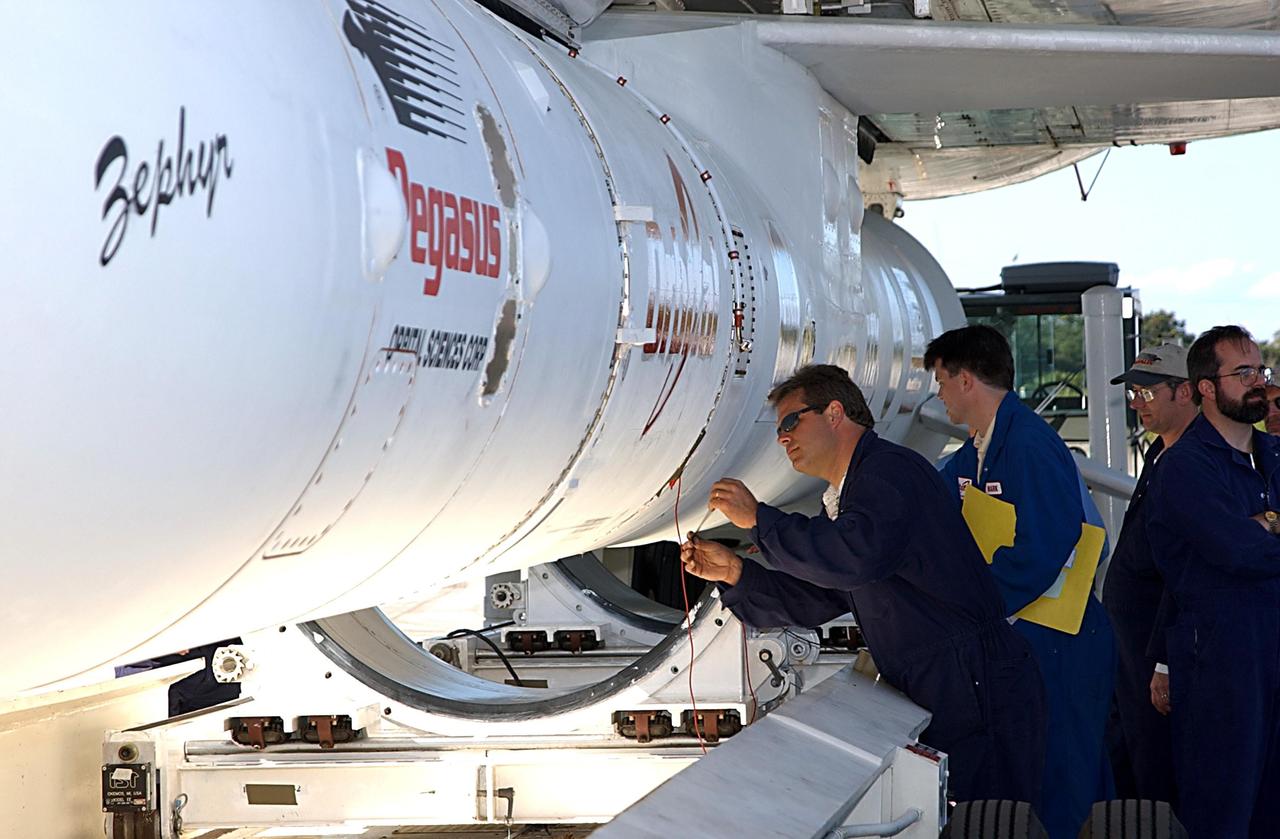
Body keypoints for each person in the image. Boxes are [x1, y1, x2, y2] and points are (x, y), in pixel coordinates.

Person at [679, 364, 1047, 808]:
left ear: (835, 413)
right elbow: (823, 594)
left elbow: (852, 558)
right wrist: (736, 573)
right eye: (779, 431)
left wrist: (760, 519)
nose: (783, 438)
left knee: (989, 818)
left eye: (791, 422)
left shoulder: (887, 474)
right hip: (952, 682)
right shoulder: (851, 495)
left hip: (972, 683)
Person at [924, 324, 1115, 839]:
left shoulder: (1028, 443)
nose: (939, 394)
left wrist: (973, 607)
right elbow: (927, 501)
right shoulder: (978, 450)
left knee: (1065, 781)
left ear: (966, 379)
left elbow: (1044, 545)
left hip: (1061, 641)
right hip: (1032, 637)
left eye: (941, 381)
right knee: (1045, 776)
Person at [1144, 325, 1280, 838]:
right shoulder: (1183, 467)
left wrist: (1264, 523)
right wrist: (1264, 526)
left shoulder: (1274, 455)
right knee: (1223, 815)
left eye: (1260, 370)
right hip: (1222, 667)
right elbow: (1238, 551)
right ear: (1205, 386)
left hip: (1273, 655)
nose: (1258, 381)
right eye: (1243, 373)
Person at [1102, 343, 1196, 806]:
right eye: (1132, 393)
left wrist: (1164, 662)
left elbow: (1186, 571)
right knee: (1133, 762)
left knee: (1162, 770)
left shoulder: (1195, 462)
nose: (1137, 403)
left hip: (1159, 653)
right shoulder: (1161, 452)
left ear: (1186, 391)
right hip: (1132, 648)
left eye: (1147, 392)